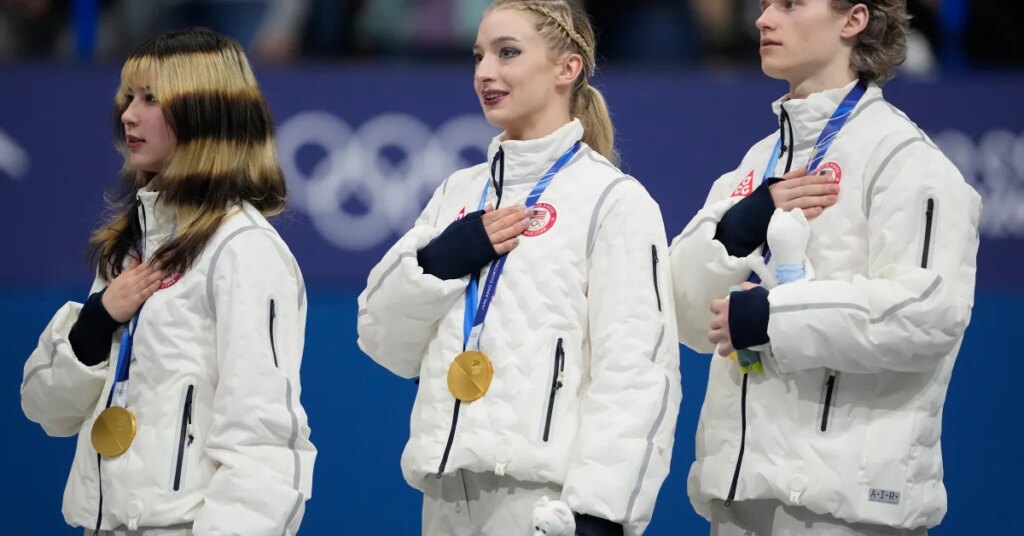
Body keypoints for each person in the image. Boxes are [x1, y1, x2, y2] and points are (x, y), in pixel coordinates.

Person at [357, 1, 681, 534]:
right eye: (479, 55)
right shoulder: (457, 194)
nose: (485, 71)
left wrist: (602, 512)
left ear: (566, 68)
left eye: (508, 53)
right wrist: (439, 263)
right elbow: (380, 339)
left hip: (545, 504)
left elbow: (638, 373)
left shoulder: (613, 200)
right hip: (444, 496)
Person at [669, 1, 981, 534]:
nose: (764, 19)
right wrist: (733, 232)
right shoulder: (754, 166)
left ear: (853, 19)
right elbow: (684, 317)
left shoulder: (906, 159)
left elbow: (929, 313)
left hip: (847, 509)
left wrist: (775, 317)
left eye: (789, 4)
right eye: (764, 5)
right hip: (738, 501)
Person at [19, 28, 315, 535]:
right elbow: (45, 408)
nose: (128, 115)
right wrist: (96, 322)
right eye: (128, 97)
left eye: (151, 99)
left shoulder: (245, 249)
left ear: (203, 112)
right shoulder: (131, 245)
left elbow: (264, 446)